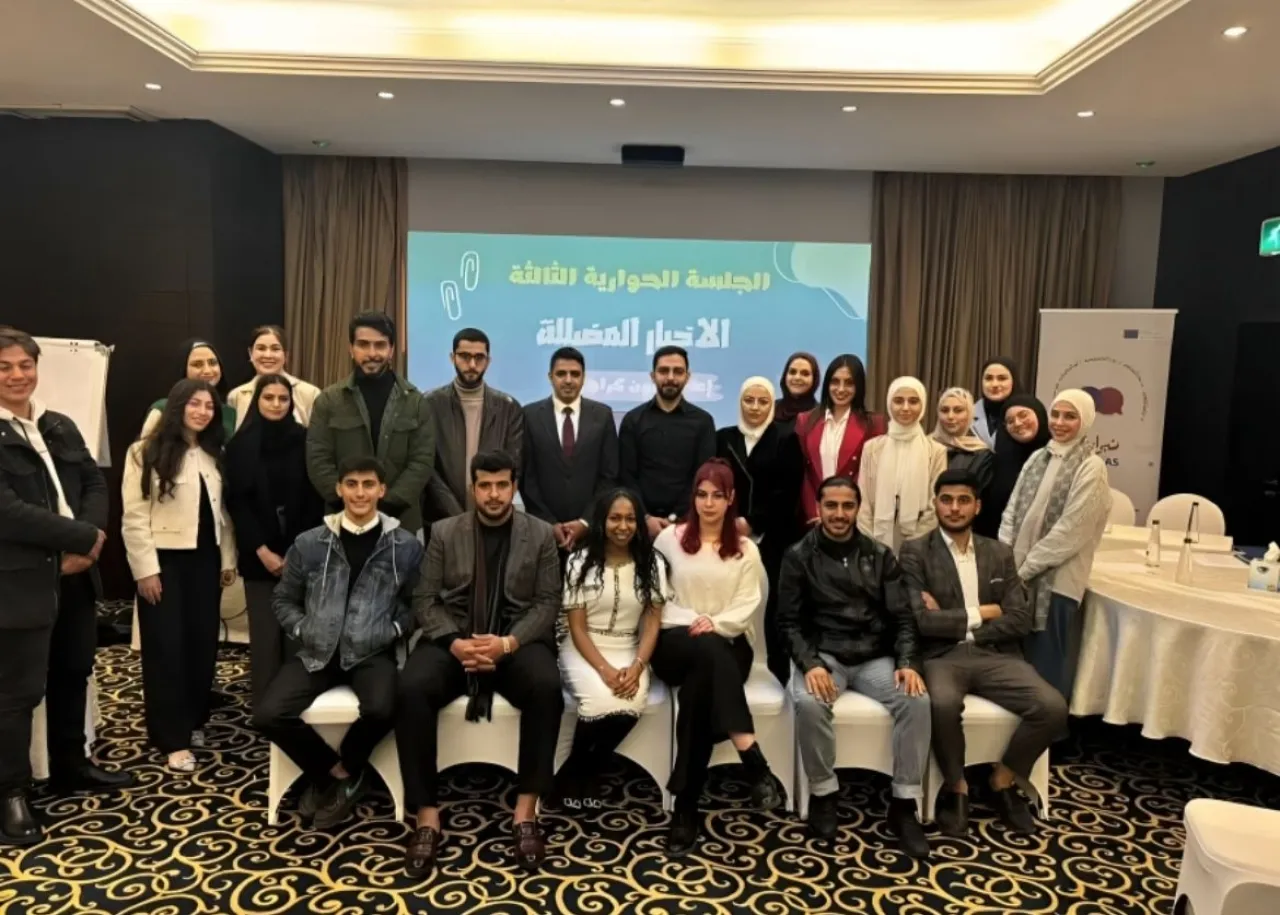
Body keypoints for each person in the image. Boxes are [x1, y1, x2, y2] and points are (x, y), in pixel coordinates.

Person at [396, 450, 561, 876]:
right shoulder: (444, 532)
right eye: (485, 485)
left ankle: (525, 812)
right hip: (455, 639)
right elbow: (425, 600)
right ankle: (427, 816)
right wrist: (455, 643)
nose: (493, 494)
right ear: (472, 489)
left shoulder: (540, 534)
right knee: (411, 688)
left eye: (502, 485)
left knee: (547, 687)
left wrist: (507, 643)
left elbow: (547, 603)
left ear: (514, 487)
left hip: (515, 640)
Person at [0, 328, 132, 847]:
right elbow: (8, 512)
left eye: (25, 365)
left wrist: (92, 539)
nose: (17, 375)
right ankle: (10, 794)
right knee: (16, 694)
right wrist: (78, 538)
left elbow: (94, 482)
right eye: (5, 367)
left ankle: (70, 765)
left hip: (78, 579)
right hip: (22, 584)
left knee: (73, 672)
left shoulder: (58, 424)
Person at [252, 456, 421, 829]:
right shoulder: (310, 542)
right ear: (339, 489)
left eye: (368, 484)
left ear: (381, 490)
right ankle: (334, 774)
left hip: (372, 651)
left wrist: (394, 630)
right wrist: (303, 629)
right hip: (317, 650)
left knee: (384, 707)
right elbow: (283, 599)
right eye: (352, 484)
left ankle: (345, 766)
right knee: (267, 714)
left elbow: (417, 604)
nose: (360, 493)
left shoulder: (405, 546)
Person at [899, 469, 1066, 837]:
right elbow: (921, 621)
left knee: (1052, 707)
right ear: (935, 504)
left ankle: (1002, 780)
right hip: (943, 655)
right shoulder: (914, 552)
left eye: (963, 500)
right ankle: (956, 787)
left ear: (977, 506)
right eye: (946, 500)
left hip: (996, 654)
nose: (954, 508)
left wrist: (959, 623)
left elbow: (1019, 618)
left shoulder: (999, 553)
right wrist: (986, 611)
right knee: (941, 704)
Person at [777, 475, 931, 857]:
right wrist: (810, 664)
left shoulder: (880, 555)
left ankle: (904, 803)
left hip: (874, 657)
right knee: (810, 701)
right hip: (825, 656)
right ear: (818, 508)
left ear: (858, 509)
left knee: (916, 699)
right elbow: (788, 623)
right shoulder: (798, 556)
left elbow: (904, 617)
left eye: (848, 506)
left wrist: (908, 662)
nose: (839, 514)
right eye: (831, 505)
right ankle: (823, 793)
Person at [651, 459, 785, 857]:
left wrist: (715, 624)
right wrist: (695, 621)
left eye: (717, 495)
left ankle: (686, 805)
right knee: (706, 652)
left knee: (699, 690)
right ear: (693, 497)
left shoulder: (746, 550)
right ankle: (750, 752)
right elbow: (657, 597)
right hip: (675, 640)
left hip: (729, 643)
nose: (708, 503)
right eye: (701, 494)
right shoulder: (669, 539)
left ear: (731, 499)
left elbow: (747, 604)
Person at [121, 379, 238, 773]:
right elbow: (134, 517)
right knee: (166, 650)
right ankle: (171, 738)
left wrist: (227, 560)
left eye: (209, 406)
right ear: (177, 406)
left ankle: (193, 720)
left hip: (206, 561)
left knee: (201, 645)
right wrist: (145, 571)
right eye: (194, 404)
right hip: (164, 564)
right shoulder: (144, 452)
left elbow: (223, 515)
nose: (202, 412)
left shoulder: (214, 453)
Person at [556, 488, 666, 807]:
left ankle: (578, 773)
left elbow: (653, 623)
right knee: (597, 703)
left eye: (630, 519)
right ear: (601, 522)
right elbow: (577, 628)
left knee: (632, 702)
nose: (623, 526)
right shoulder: (578, 561)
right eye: (615, 518)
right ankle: (583, 776)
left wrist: (638, 666)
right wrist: (604, 670)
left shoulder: (653, 563)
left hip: (629, 647)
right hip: (584, 647)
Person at [1000, 389, 1111, 702]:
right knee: (1018, 659)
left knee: (1047, 663)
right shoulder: (1038, 457)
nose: (1060, 423)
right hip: (1019, 574)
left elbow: (1071, 532)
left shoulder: (1092, 467)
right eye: (1056, 415)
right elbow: (1011, 512)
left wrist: (1025, 570)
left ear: (1085, 421)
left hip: (1058, 581)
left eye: (1070, 416)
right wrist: (1006, 561)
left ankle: (1049, 726)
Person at [224, 374, 324, 707]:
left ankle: (295, 705)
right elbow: (237, 503)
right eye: (269, 398)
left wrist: (297, 553)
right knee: (265, 638)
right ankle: (266, 708)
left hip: (301, 554)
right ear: (257, 401)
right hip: (259, 555)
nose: (276, 404)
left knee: (298, 635)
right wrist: (262, 550)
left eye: (283, 399)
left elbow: (314, 499)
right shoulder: (239, 445)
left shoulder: (305, 440)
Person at [307, 312, 435, 534]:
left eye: (380, 345)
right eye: (363, 345)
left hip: (401, 523)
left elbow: (421, 462)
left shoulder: (415, 402)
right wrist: (351, 503)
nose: (372, 353)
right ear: (351, 348)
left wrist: (383, 506)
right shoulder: (328, 401)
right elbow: (318, 460)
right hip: (342, 521)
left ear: (391, 350)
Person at [716, 376, 803, 683]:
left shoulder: (786, 439)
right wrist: (730, 521)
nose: (755, 407)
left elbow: (789, 491)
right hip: (726, 533)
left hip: (774, 535)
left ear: (772, 405)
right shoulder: (723, 437)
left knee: (773, 604)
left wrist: (752, 522)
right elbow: (714, 483)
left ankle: (776, 671)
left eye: (763, 401)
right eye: (748, 400)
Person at [520, 347, 618, 555]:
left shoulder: (602, 415)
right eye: (561, 374)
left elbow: (609, 476)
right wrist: (549, 523)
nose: (568, 380)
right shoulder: (530, 415)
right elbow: (527, 478)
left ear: (583, 378)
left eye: (575, 374)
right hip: (542, 534)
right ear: (550, 377)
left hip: (591, 534)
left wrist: (586, 521)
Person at [423, 328, 524, 527]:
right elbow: (427, 467)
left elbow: (514, 467)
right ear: (452, 358)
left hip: (494, 518)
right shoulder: (429, 404)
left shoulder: (508, 408)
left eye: (479, 357)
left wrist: (488, 508)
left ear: (488, 361)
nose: (472, 364)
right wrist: (456, 515)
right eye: (464, 356)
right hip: (441, 520)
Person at [619, 345, 715, 537]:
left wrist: (676, 519)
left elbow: (702, 476)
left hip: (687, 525)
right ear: (652, 376)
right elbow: (626, 476)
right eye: (664, 371)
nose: (670, 377)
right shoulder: (633, 420)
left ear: (687, 377)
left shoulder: (703, 422)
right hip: (639, 526)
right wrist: (645, 517)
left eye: (678, 371)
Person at [858, 377, 948, 552]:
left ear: (923, 405)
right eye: (898, 401)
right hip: (875, 538)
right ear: (889, 404)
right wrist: (871, 542)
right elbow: (864, 500)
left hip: (920, 542)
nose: (905, 408)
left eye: (913, 401)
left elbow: (935, 502)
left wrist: (915, 544)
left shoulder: (936, 451)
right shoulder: (872, 448)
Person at [796, 354, 885, 529]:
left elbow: (871, 476)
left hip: (853, 518)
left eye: (849, 383)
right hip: (814, 520)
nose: (841, 389)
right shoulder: (805, 420)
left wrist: (847, 512)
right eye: (835, 382)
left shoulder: (874, 424)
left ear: (859, 386)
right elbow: (803, 474)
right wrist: (817, 512)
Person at [973, 394, 1049, 540]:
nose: (1017, 423)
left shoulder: (1057, 457)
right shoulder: (997, 462)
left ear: (1039, 414)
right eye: (1010, 421)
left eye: (1023, 415)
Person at [225, 325, 322, 429]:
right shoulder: (236, 396)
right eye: (261, 348)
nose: (268, 355)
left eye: (275, 349)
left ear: (285, 355)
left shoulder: (310, 393)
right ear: (250, 353)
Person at [141, 338, 237, 439]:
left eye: (213, 363)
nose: (207, 370)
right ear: (183, 368)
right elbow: (145, 447)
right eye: (197, 365)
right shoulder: (163, 408)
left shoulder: (229, 413)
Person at [931, 387, 993, 494]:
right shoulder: (927, 446)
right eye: (944, 410)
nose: (950, 416)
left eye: (958, 410)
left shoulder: (982, 454)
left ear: (969, 414)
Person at [973, 357, 1019, 449]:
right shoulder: (968, 414)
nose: (994, 384)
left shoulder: (1027, 415)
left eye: (1002, 378)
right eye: (988, 378)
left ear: (1014, 381)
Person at [773, 352, 821, 438]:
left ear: (814, 379)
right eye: (792, 372)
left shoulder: (820, 415)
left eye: (805, 374)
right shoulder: (771, 408)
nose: (797, 377)